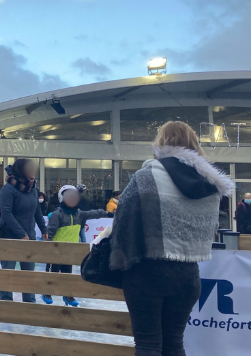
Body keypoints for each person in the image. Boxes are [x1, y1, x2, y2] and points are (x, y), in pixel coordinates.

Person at [110, 121, 233, 356]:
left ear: (161, 143)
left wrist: (120, 258)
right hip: (188, 274)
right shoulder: (210, 184)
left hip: (147, 270)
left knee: (148, 345)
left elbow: (123, 220)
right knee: (174, 344)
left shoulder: (148, 175)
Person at [42, 185, 112, 306]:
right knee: (53, 273)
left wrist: (107, 213)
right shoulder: (57, 215)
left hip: (70, 251)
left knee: (67, 274)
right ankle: (47, 292)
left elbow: (93, 213)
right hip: (56, 251)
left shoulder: (79, 214)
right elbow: (50, 233)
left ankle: (68, 295)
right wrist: (48, 249)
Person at [0, 158, 48, 303]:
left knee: (29, 274)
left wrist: (43, 228)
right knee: (8, 272)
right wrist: (21, 233)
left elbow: (37, 212)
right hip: (9, 237)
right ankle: (6, 303)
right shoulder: (7, 189)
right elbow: (7, 214)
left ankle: (30, 302)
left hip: (29, 238)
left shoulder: (33, 190)